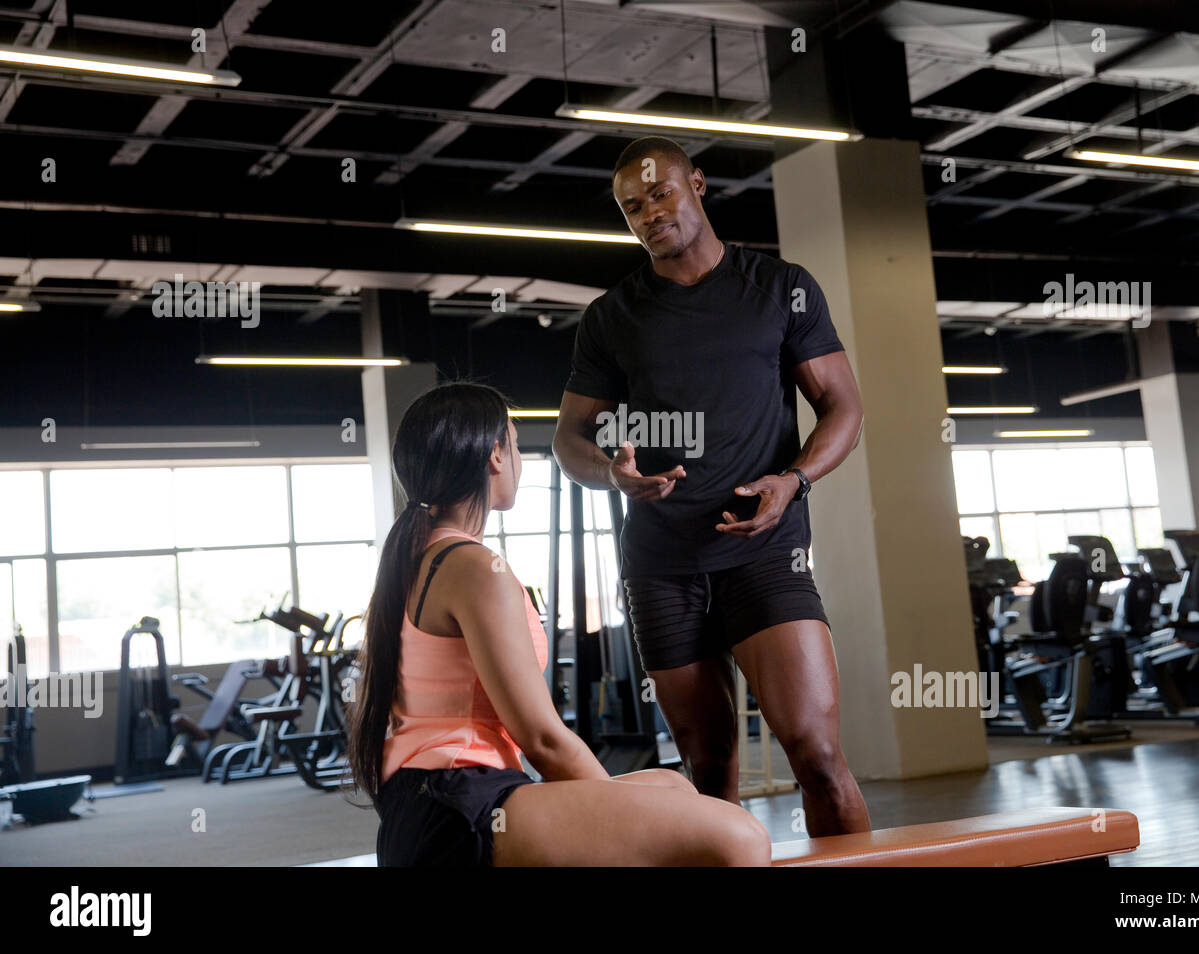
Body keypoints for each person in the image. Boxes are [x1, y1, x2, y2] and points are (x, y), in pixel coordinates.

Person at [552, 136, 870, 837]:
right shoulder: (611, 317)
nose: (648, 213)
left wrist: (795, 479)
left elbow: (844, 407)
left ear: (697, 184)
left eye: (660, 192)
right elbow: (568, 440)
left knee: (817, 757)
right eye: (631, 207)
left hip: (764, 550)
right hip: (661, 564)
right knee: (708, 769)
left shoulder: (779, 288)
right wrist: (612, 473)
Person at [349, 381, 771, 867]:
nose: (520, 459)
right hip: (459, 804)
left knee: (673, 785)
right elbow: (542, 737)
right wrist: (616, 813)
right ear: (494, 455)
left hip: (432, 802)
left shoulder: (419, 556)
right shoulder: (473, 569)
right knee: (740, 837)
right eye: (513, 440)